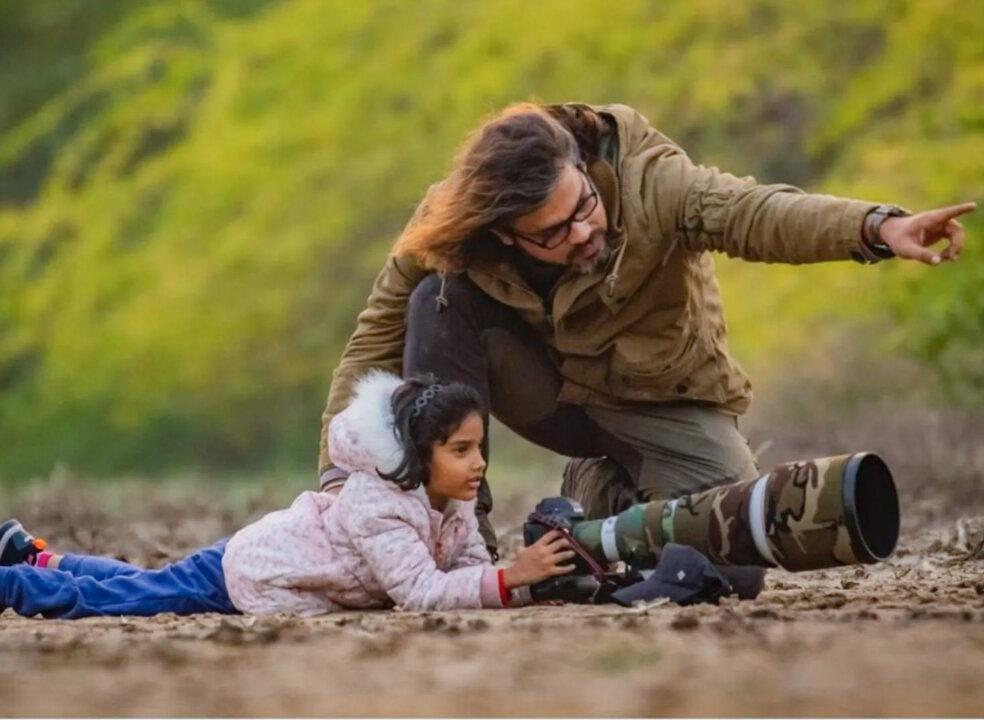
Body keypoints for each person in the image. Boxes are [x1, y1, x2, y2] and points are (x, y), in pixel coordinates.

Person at [317, 101, 975, 559]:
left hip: (663, 399)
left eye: (584, 205)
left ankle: (598, 494)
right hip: (553, 396)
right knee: (435, 301)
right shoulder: (451, 224)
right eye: (553, 231)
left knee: (731, 556)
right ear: (505, 233)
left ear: (581, 165)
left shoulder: (651, 181)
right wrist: (337, 481)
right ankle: (455, 541)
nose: (583, 231)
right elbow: (373, 343)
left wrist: (876, 227)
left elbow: (756, 213)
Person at [0, 374, 575, 619]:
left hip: (261, 565)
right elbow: (422, 591)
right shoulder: (379, 506)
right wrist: (509, 578)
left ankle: (32, 557)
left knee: (138, 585)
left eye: (479, 447)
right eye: (460, 450)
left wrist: (519, 582)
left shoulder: (449, 504)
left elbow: (462, 572)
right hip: (249, 574)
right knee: (106, 602)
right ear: (420, 456)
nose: (478, 464)